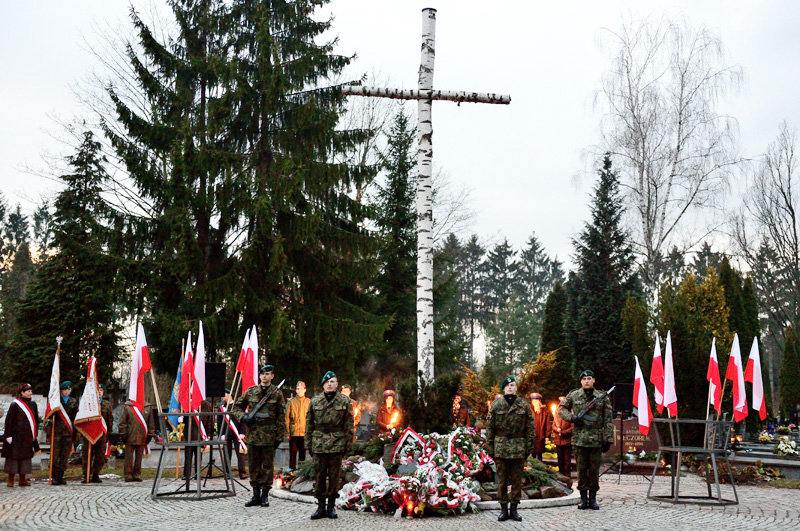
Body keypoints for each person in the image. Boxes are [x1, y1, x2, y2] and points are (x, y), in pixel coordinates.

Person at [232, 364, 286, 508]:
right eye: (262, 374)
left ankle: (264, 496)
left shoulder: (277, 393)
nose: (265, 376)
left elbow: (281, 416)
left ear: (272, 376)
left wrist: (280, 437)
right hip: (253, 436)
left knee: (267, 467)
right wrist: (243, 418)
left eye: (268, 374)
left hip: (269, 437)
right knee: (254, 466)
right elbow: (236, 407)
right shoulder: (251, 392)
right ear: (259, 376)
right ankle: (255, 495)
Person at [558, 369, 613, 510]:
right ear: (581, 381)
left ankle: (593, 499)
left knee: (594, 471)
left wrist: (608, 439)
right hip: (579, 439)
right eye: (584, 379)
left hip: (596, 439)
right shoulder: (574, 395)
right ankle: (583, 499)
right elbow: (561, 409)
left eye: (589, 378)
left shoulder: (602, 397)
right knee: (581, 470)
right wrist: (572, 418)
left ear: (594, 380)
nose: (587, 381)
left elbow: (608, 419)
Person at [306, 371, 355, 520]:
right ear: (323, 384)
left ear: (337, 384)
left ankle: (331, 507)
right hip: (319, 443)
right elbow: (309, 424)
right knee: (319, 476)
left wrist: (348, 445)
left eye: (333, 381)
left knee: (334, 477)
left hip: (337, 443)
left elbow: (349, 424)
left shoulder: (344, 401)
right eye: (327, 382)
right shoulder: (315, 401)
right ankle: (320, 507)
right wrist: (308, 443)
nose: (330, 384)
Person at [486, 375, 534, 522]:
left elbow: (530, 428)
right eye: (508, 386)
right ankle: (503, 509)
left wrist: (528, 448)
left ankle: (514, 509)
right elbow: (490, 429)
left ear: (516, 388)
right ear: (504, 388)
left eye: (513, 385)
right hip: (500, 447)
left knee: (516, 480)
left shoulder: (524, 405)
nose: (511, 387)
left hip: (518, 447)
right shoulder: (496, 405)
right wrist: (491, 449)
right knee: (501, 481)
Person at [3, 383, 40, 487]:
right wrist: (8, 435)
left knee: (25, 457)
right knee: (13, 458)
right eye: (28, 391)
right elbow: (9, 420)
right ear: (22, 393)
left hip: (27, 435)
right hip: (16, 435)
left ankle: (22, 479)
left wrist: (35, 434)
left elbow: (35, 420)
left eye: (31, 391)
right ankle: (10, 480)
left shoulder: (33, 404)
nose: (30, 393)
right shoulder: (15, 404)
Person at [46, 380, 78, 485]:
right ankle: (54, 475)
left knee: (64, 456)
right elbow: (49, 416)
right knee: (55, 455)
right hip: (57, 432)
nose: (66, 392)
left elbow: (75, 417)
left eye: (68, 389)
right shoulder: (56, 401)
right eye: (64, 389)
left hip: (68, 433)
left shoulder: (74, 401)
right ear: (61, 390)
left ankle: (61, 475)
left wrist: (75, 433)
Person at [81, 383, 113, 483]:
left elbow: (110, 420)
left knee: (100, 456)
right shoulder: (89, 403)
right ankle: (86, 475)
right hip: (90, 433)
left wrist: (108, 434)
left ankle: (95, 474)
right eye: (97, 390)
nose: (99, 392)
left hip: (102, 434)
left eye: (101, 390)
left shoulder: (107, 404)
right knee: (87, 455)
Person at [118, 400, 154, 482]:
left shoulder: (147, 407)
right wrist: (123, 433)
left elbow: (150, 422)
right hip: (130, 435)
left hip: (142, 435)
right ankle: (128, 474)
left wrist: (150, 434)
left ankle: (137, 474)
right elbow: (122, 422)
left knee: (139, 457)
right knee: (128, 457)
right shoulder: (127, 406)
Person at [218, 388, 247, 479]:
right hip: (226, 433)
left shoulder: (238, 406)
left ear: (229, 395)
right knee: (227, 453)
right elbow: (219, 422)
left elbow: (242, 420)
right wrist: (221, 434)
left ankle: (242, 472)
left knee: (240, 454)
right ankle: (227, 473)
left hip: (237, 433)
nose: (222, 397)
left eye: (224, 395)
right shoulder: (221, 408)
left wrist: (242, 432)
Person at [285, 381, 310, 470]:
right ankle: (291, 470)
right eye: (298, 389)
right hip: (294, 432)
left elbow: (311, 418)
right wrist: (287, 432)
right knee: (293, 452)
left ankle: (301, 470)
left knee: (303, 453)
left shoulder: (308, 402)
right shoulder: (291, 402)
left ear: (305, 390)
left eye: (301, 388)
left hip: (304, 432)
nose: (299, 390)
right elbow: (286, 418)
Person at [552, 395, 573, 477]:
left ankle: (567, 475)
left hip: (566, 441)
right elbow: (553, 425)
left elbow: (572, 428)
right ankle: (561, 475)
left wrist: (564, 432)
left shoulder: (570, 415)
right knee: (560, 460)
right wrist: (557, 430)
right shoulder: (557, 415)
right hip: (558, 441)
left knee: (567, 460)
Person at [529, 392, 551, 460]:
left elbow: (548, 424)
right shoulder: (529, 410)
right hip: (531, 436)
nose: (535, 403)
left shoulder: (544, 412)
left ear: (540, 401)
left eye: (537, 401)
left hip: (541, 436)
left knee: (540, 454)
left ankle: (540, 468)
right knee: (532, 454)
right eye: (534, 401)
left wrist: (547, 436)